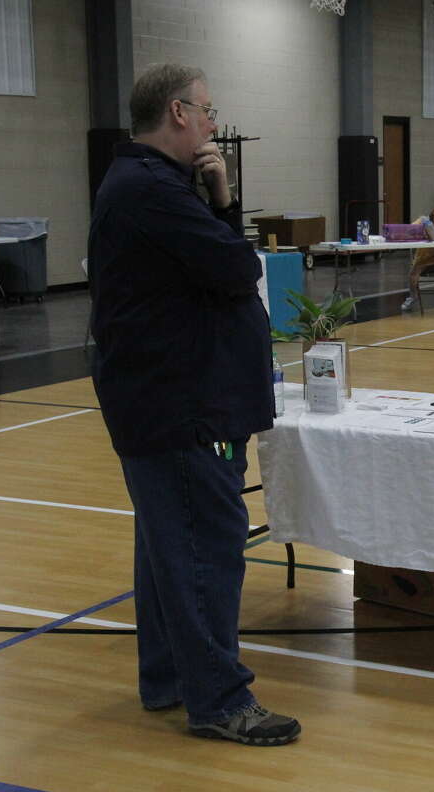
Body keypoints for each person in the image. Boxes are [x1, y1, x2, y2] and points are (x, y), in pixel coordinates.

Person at [87, 63, 300, 746]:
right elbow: (238, 268)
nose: (214, 123)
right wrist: (224, 197)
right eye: (208, 110)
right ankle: (219, 700)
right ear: (179, 113)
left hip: (169, 396)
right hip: (183, 403)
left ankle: (169, 679)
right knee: (206, 549)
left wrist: (215, 201)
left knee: (166, 549)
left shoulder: (148, 186)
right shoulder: (151, 191)